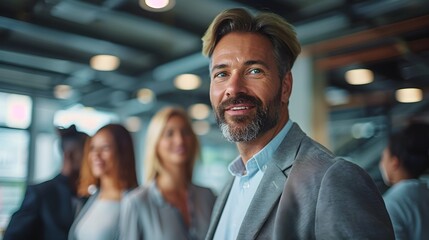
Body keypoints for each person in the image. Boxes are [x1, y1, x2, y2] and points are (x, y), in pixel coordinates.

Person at [201, 8, 395, 240]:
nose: (233, 88)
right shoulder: (230, 186)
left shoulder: (333, 179)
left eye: (254, 71)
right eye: (221, 74)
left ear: (285, 87)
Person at [119, 107, 216, 240]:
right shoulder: (137, 202)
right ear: (156, 144)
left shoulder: (207, 196)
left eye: (185, 132)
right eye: (169, 134)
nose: (180, 140)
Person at [4, 125, 88, 240]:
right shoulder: (41, 193)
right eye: (88, 154)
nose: (93, 159)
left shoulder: (87, 195)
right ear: (70, 155)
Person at [68, 123, 138, 240]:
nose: (96, 155)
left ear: (122, 152)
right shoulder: (92, 197)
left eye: (105, 148)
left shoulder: (134, 202)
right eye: (93, 148)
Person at [379, 122, 429, 240]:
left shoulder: (393, 202)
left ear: (394, 162)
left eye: (383, 157)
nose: (381, 163)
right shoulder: (424, 192)